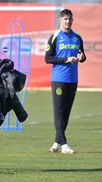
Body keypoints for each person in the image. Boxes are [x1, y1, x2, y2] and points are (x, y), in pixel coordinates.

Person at [45, 9, 86, 154]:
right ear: (60, 20)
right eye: (65, 19)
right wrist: (66, 59)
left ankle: (56, 143)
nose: (68, 21)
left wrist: (81, 58)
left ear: (72, 20)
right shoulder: (55, 37)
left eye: (70, 19)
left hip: (73, 79)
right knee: (59, 111)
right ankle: (64, 145)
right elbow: (47, 58)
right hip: (59, 79)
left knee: (66, 112)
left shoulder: (77, 38)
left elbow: (82, 55)